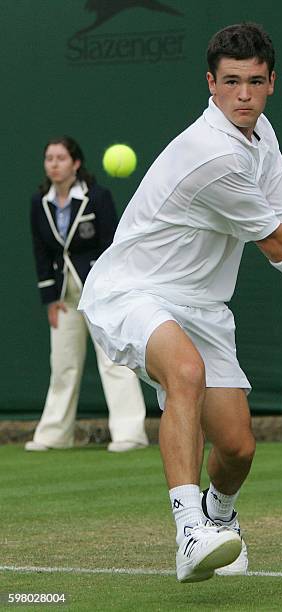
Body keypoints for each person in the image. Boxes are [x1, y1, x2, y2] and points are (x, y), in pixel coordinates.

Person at [79, 23, 282, 582]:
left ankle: (221, 517)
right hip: (133, 289)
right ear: (211, 85)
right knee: (185, 373)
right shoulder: (212, 155)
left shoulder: (261, 136)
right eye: (231, 82)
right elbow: (273, 243)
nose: (244, 94)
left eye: (255, 82)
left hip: (203, 306)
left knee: (239, 449)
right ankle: (190, 531)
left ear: (271, 84)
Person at [28, 136, 149, 453]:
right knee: (63, 365)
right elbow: (42, 253)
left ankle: (129, 434)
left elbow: (113, 246)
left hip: (100, 293)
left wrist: (113, 292)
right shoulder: (39, 202)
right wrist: (50, 299)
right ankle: (54, 435)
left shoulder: (98, 197)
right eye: (49, 158)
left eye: (60, 158)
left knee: (113, 361)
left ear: (76, 163)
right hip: (65, 297)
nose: (53, 164)